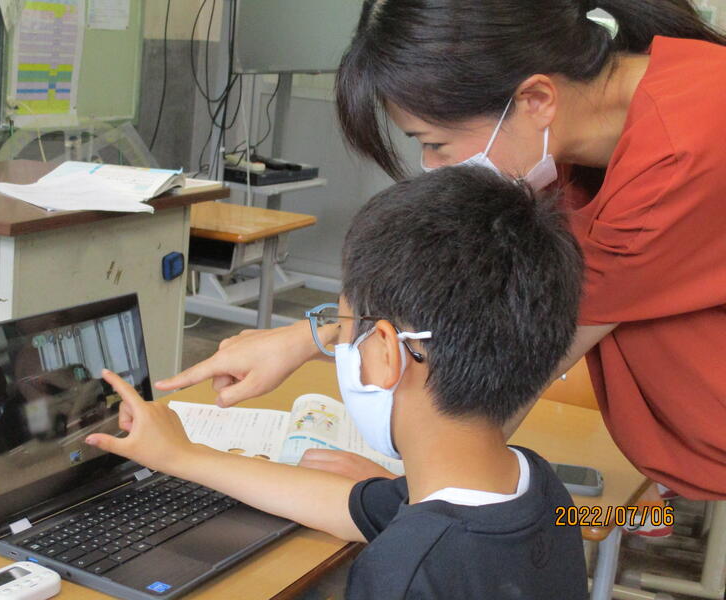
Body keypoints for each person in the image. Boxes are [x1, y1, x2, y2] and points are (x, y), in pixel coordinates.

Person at [158, 0, 726, 501]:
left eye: (436, 144)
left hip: (699, 440)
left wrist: (411, 496)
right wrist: (304, 339)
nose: (433, 167)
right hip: (670, 432)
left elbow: (504, 357)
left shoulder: (685, 149)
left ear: (535, 99)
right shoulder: (572, 135)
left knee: (578, 517)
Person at [86, 167, 588, 598]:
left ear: (387, 352)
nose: (340, 346)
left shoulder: (403, 573)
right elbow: (344, 503)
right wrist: (182, 457)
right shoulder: (536, 486)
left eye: (345, 329)